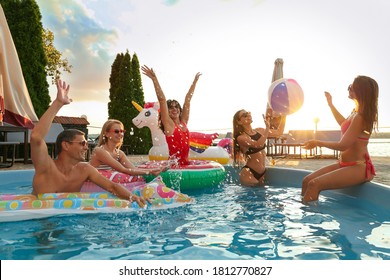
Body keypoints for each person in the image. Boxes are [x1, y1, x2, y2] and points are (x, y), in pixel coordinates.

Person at [30, 80, 147, 207]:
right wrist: (58, 103)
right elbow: (36, 137)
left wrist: (133, 197)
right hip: (42, 223)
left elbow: (112, 187)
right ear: (66, 145)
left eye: (86, 143)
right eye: (82, 143)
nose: (87, 147)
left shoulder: (84, 169)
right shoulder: (45, 167)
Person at [301, 75, 378, 202]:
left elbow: (343, 145)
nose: (348, 89)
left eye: (351, 87)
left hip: (358, 167)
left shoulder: (360, 117)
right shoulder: (355, 113)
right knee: (307, 181)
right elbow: (343, 123)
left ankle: (309, 219)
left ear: (360, 91)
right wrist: (330, 104)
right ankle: (304, 208)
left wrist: (317, 142)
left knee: (314, 184)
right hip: (344, 164)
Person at [141, 65, 201, 165]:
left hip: (186, 164)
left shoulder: (183, 122)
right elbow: (162, 100)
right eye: (171, 107)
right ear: (167, 111)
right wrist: (154, 80)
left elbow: (187, 100)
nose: (174, 109)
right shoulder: (168, 124)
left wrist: (194, 82)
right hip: (174, 166)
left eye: (176, 107)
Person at [89, 119, 167, 177]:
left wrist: (157, 168)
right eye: (116, 131)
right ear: (106, 134)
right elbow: (124, 170)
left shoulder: (119, 153)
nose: (120, 134)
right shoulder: (99, 151)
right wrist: (151, 171)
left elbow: (133, 169)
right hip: (93, 186)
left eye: (122, 131)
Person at [232, 109, 285, 186]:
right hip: (249, 173)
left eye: (248, 113)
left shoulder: (259, 130)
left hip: (262, 173)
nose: (248, 115)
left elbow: (278, 132)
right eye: (244, 115)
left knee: (261, 195)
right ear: (239, 122)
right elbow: (258, 144)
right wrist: (267, 128)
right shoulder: (241, 137)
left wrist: (284, 115)